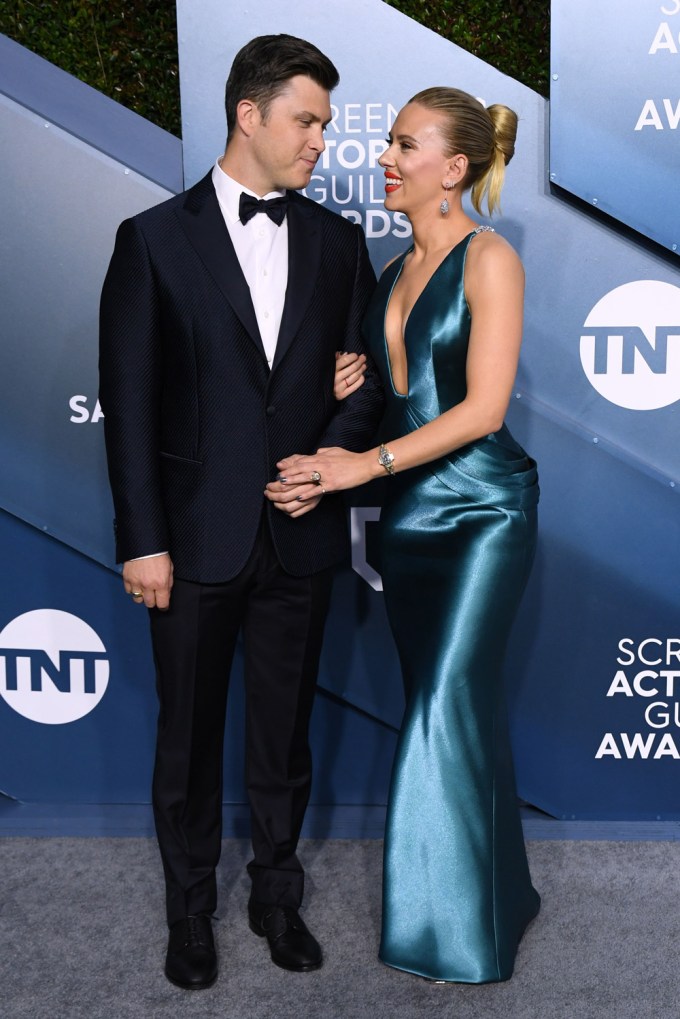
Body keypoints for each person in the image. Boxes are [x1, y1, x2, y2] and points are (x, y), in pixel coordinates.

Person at [99, 34, 382, 990]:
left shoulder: (343, 244)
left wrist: (335, 455)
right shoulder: (152, 240)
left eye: (327, 125)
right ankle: (189, 913)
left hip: (298, 539)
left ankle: (276, 894)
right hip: (191, 541)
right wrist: (144, 539)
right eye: (307, 120)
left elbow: (364, 383)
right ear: (248, 115)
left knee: (283, 735)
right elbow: (130, 404)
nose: (320, 141)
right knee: (185, 739)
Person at [267, 86, 540, 983]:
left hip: (480, 514)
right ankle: (507, 889)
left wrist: (360, 469)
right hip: (410, 522)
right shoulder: (390, 270)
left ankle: (454, 934)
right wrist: (356, 384)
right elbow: (399, 393)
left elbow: (483, 409)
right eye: (388, 142)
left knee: (438, 708)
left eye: (404, 145)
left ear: (454, 169)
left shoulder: (489, 258)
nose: (384, 157)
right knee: (454, 706)